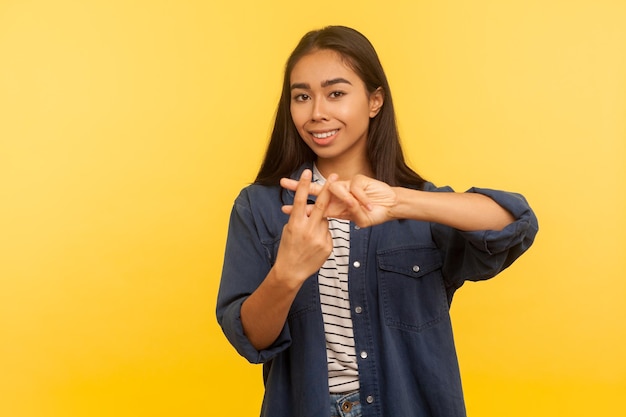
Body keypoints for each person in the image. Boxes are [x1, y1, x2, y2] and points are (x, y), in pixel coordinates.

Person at [216, 25, 538, 417]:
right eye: (302, 96)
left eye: (336, 93)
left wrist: (400, 201)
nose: (317, 112)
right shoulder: (260, 207)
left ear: (374, 101)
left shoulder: (415, 204)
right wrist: (287, 273)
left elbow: (513, 222)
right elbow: (250, 338)